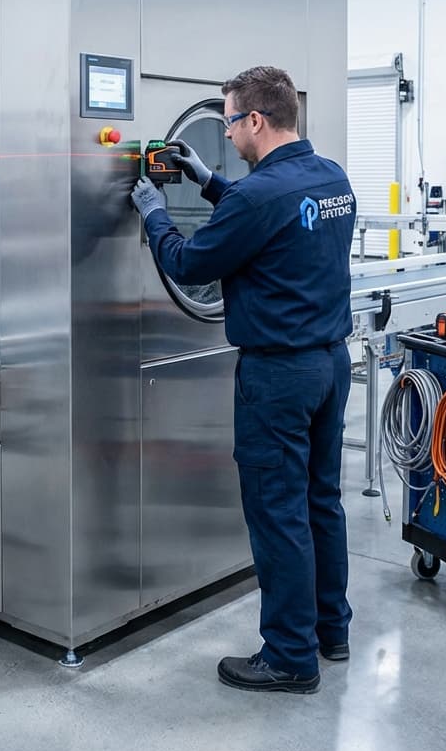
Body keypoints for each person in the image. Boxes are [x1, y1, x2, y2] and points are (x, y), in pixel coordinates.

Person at [130, 66, 356, 695]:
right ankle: (329, 629)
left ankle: (289, 656)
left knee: (277, 510)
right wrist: (208, 183)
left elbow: (188, 261)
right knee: (320, 500)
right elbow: (272, 219)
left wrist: (153, 212)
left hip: (278, 375)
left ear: (255, 119)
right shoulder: (331, 178)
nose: (226, 135)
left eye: (229, 122)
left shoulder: (259, 196)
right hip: (330, 365)